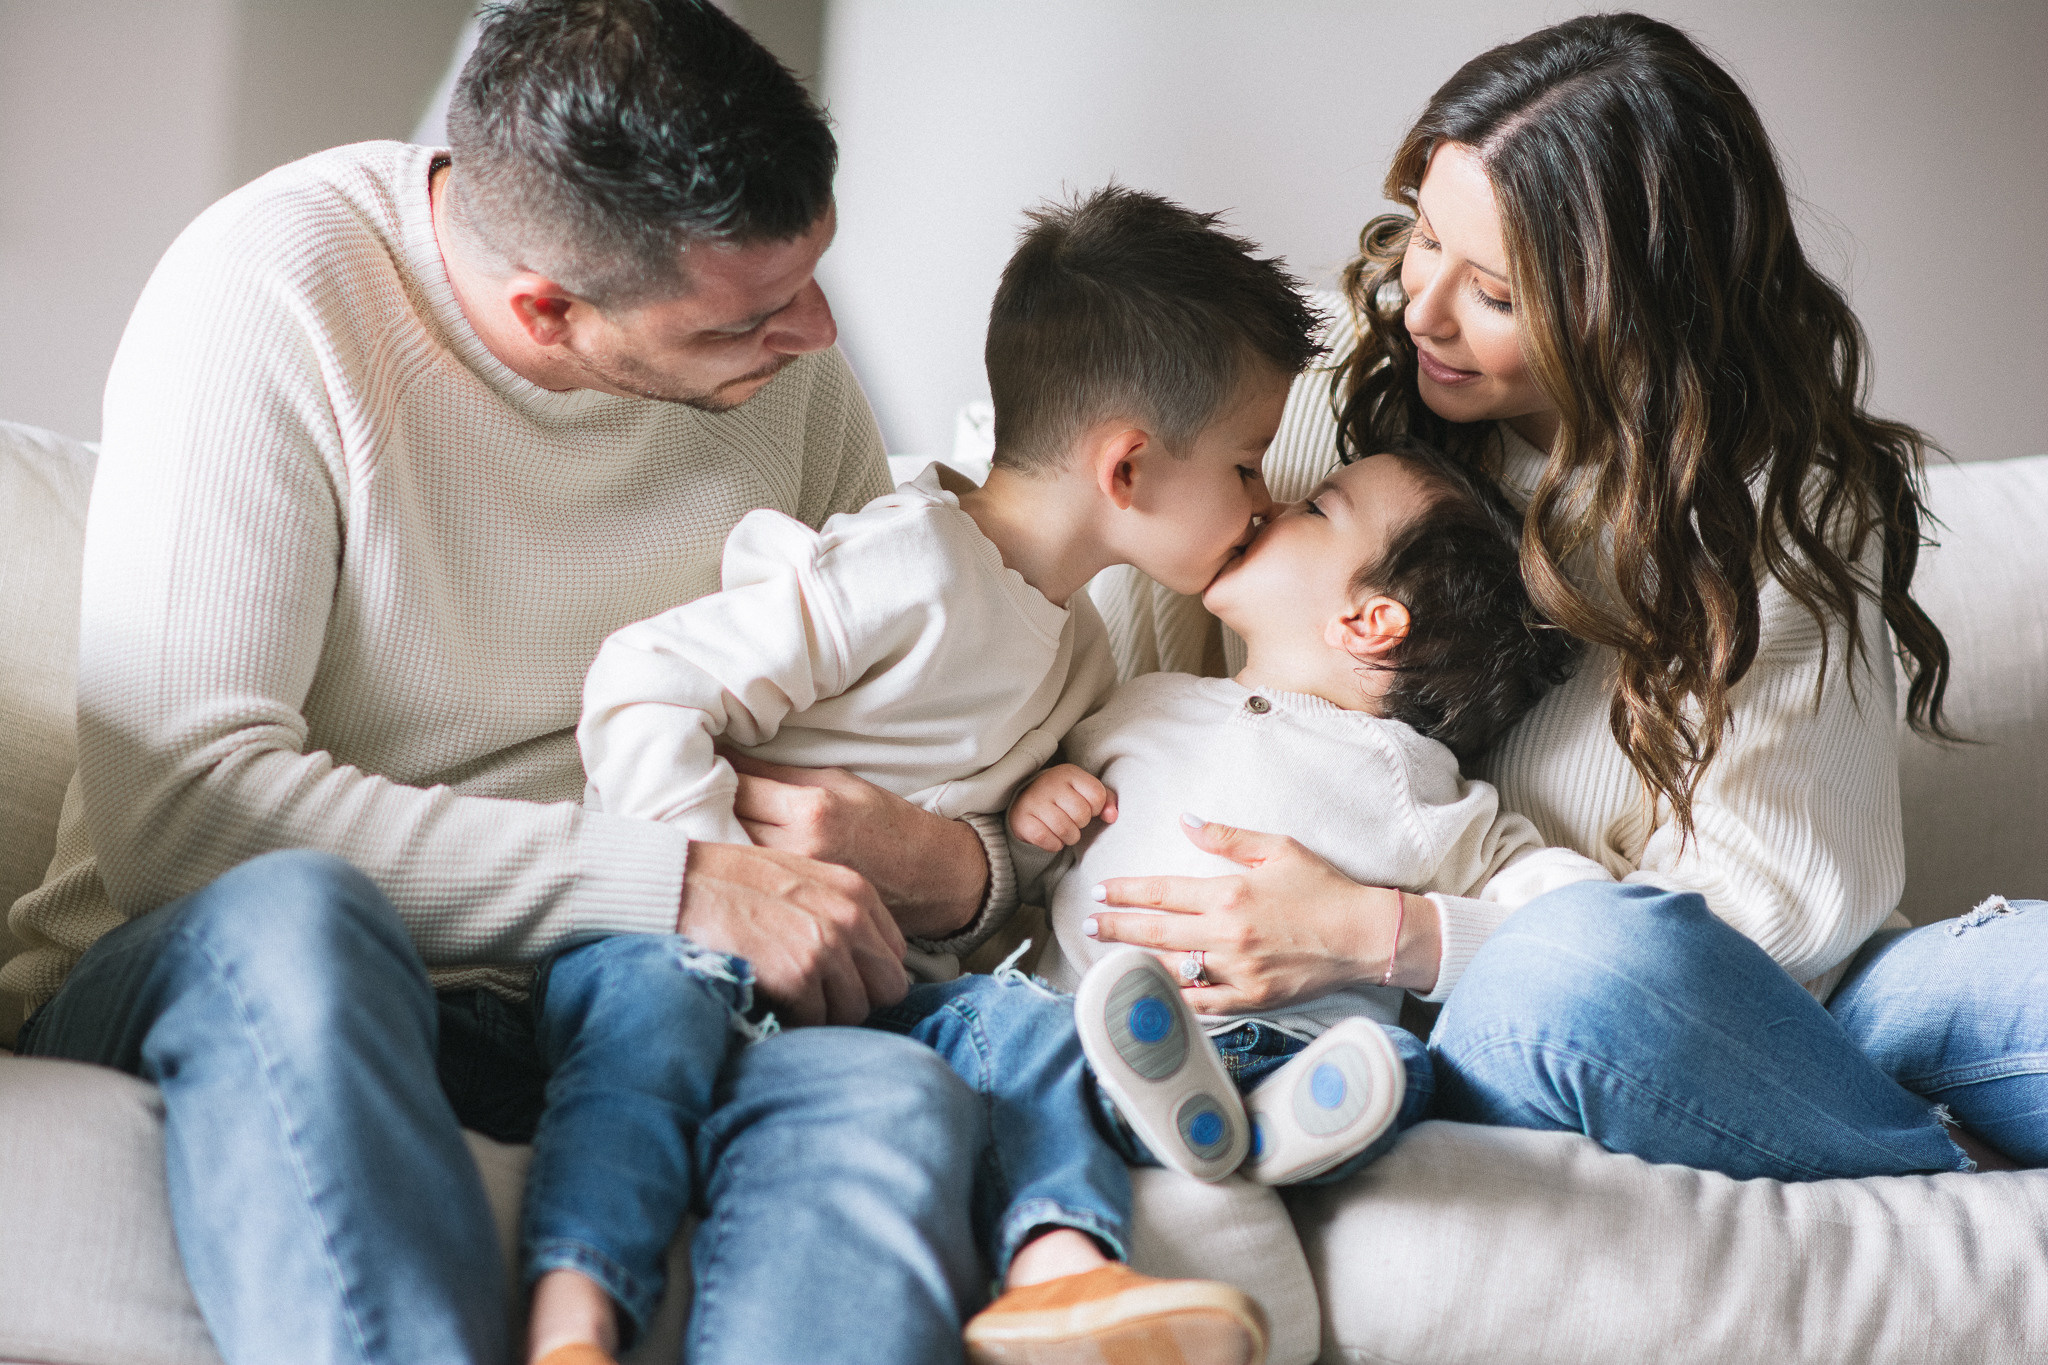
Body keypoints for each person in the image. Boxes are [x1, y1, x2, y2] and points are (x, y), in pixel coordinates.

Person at [2, 3, 1012, 1362]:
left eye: (816, 277)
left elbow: (871, 751)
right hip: (240, 975)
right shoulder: (275, 291)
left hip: (619, 1008)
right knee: (304, 917)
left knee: (882, 1090)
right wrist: (674, 879)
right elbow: (187, 816)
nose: (820, 336)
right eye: (755, 313)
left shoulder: (795, 389)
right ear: (547, 309)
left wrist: (949, 861)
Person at [1083, 11, 2047, 1180]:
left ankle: (1850, 1130)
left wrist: (1390, 931)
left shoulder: (1775, 515)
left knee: (2015, 982)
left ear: (1632, 315)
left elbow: (1778, 930)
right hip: (1528, 1013)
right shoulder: (1332, 401)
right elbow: (1086, 548)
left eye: (1491, 292)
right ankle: (1934, 1173)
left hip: (1766, 1003)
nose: (1420, 310)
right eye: (1419, 238)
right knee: (1575, 969)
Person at [577, 185, 1312, 1365]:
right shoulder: (907, 562)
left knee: (1044, 1030)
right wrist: (712, 891)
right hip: (711, 952)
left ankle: (1062, 1273)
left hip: (878, 996)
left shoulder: (1081, 651)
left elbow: (976, 858)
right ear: (1124, 470)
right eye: (1246, 462)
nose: (1265, 500)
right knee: (649, 1028)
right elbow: (642, 679)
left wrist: (1021, 820)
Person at [1016, 442, 1606, 1193]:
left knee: (1391, 1068)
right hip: (1078, 1028)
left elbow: (1564, 912)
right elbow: (1036, 878)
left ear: (1369, 622)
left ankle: (1277, 1127)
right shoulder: (1142, 704)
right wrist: (1039, 816)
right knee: (982, 1022)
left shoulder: (1404, 776)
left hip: (1277, 1047)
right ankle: (1206, 1127)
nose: (1271, 506)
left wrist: (1414, 925)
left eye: (1317, 508)